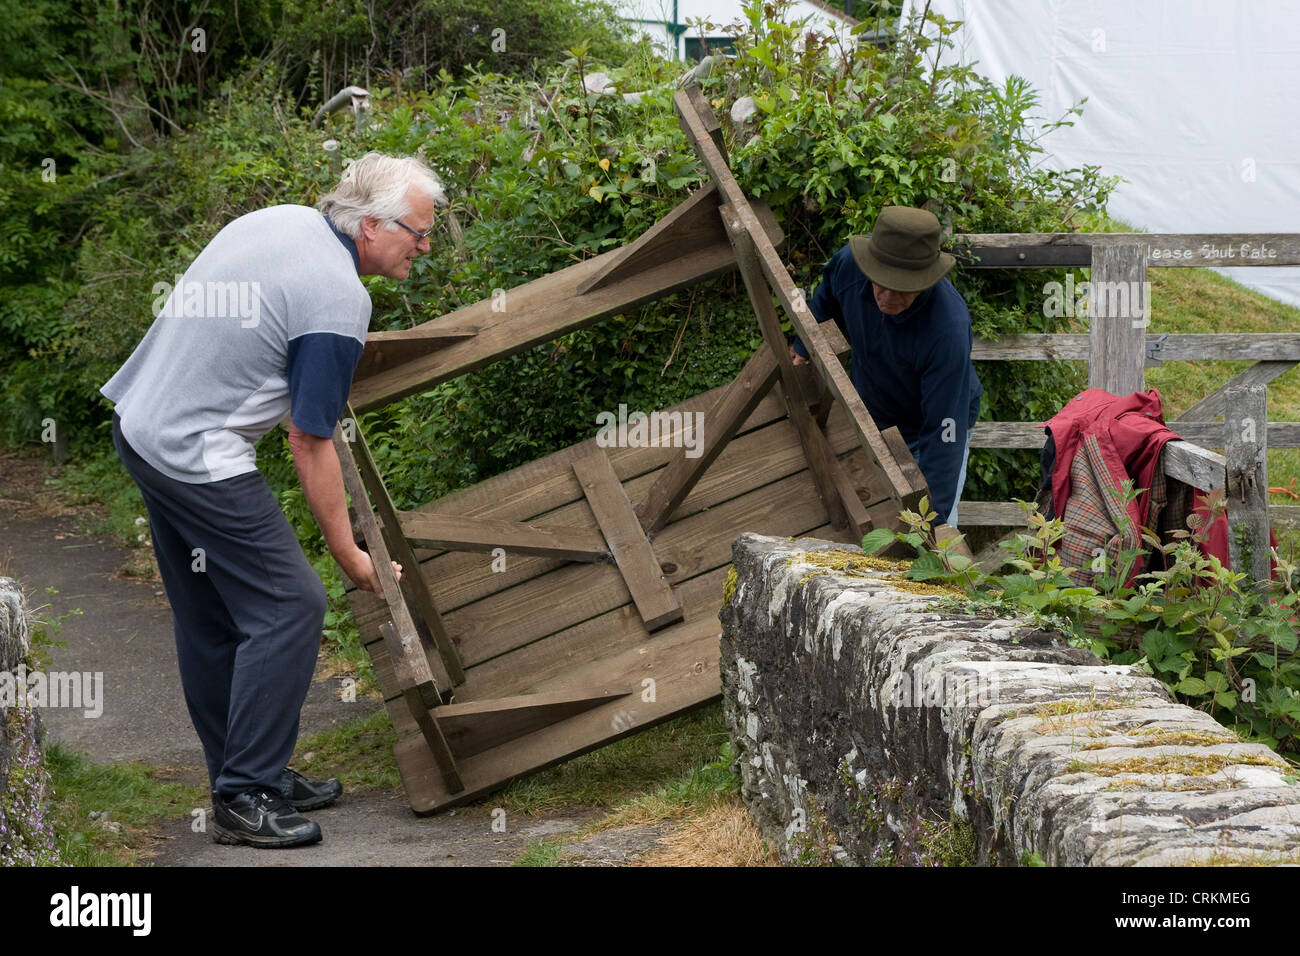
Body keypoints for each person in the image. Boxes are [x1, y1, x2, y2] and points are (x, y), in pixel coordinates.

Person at [101, 153, 444, 848]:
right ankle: (247, 794)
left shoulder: (285, 222)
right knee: (292, 603)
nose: (427, 245)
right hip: (195, 452)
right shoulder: (339, 299)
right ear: (372, 226)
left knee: (214, 617)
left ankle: (245, 769)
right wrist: (350, 556)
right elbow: (311, 441)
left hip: (140, 424)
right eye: (418, 231)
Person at [790, 205, 982, 526]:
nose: (888, 297)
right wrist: (801, 347)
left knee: (937, 529)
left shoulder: (947, 330)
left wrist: (932, 524)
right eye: (880, 281)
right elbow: (824, 301)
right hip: (872, 413)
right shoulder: (849, 266)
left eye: (903, 288)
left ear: (926, 280)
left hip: (928, 430)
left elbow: (944, 433)